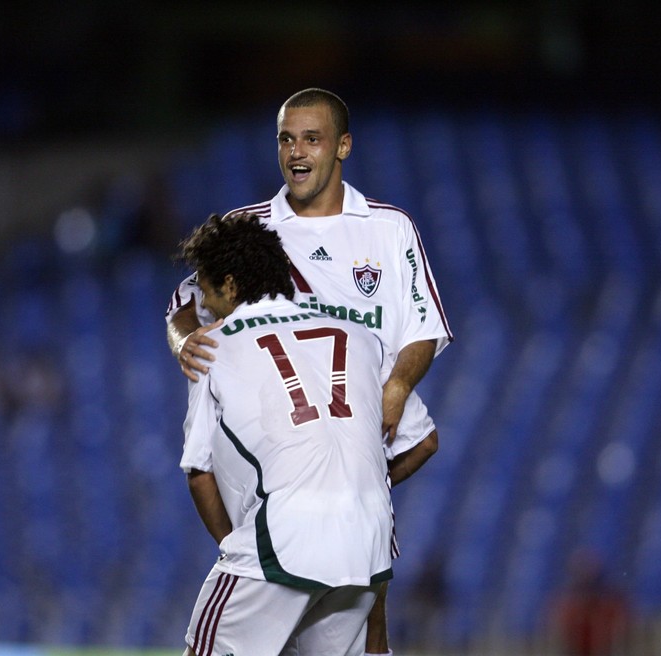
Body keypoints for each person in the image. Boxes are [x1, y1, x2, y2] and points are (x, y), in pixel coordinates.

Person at [166, 87, 453, 655]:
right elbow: (181, 306)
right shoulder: (246, 230)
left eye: (312, 138)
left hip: (321, 491)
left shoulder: (388, 228)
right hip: (335, 504)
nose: (296, 151)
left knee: (370, 628)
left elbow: (424, 327)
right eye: (286, 138)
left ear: (343, 146)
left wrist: (397, 387)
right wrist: (180, 343)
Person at [178, 212, 396, 655]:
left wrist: (236, 549)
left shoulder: (211, 345)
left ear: (232, 286)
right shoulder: (360, 335)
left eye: (204, 287)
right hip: (369, 544)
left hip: (283, 538)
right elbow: (423, 439)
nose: (202, 302)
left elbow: (199, 471)